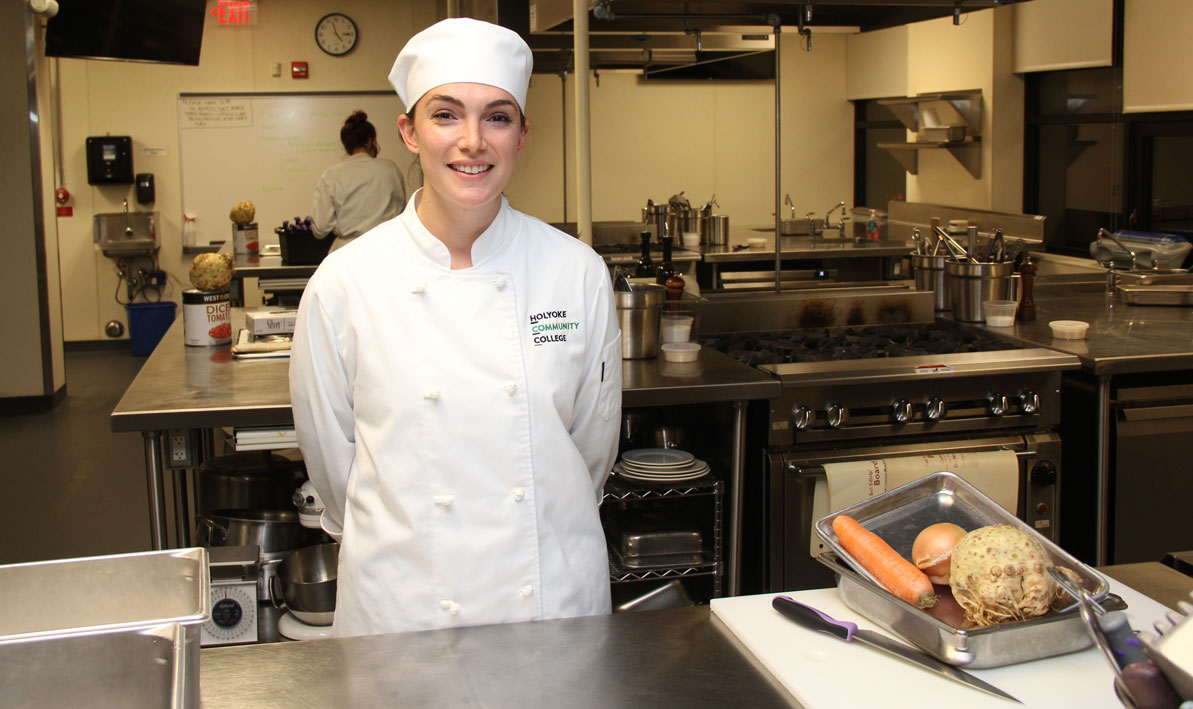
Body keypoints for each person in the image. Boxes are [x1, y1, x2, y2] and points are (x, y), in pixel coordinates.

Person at [289, 18, 622, 638]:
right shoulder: (346, 282)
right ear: (409, 133)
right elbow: (335, 469)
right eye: (446, 115)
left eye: (497, 117)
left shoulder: (576, 272)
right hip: (404, 603)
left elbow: (590, 451)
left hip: (550, 597)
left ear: (523, 135)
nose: (473, 141)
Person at [309, 110, 406, 252]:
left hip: (346, 252)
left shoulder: (332, 175)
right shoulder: (390, 169)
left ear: (346, 145)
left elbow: (320, 228)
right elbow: (401, 212)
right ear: (371, 140)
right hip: (387, 250)